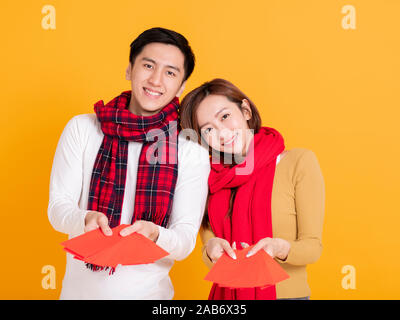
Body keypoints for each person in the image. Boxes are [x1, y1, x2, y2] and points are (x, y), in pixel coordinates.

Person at [47, 27, 210, 299]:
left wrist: (154, 233)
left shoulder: (190, 150)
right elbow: (57, 207)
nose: (156, 80)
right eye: (148, 65)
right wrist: (84, 218)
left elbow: (184, 240)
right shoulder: (83, 128)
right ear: (129, 69)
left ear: (181, 86)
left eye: (170, 72)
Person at [179, 78, 325, 300]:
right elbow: (208, 241)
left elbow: (313, 247)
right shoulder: (211, 177)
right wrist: (211, 249)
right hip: (226, 298)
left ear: (245, 110)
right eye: (208, 129)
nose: (221, 132)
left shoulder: (298, 162)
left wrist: (278, 248)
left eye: (225, 116)